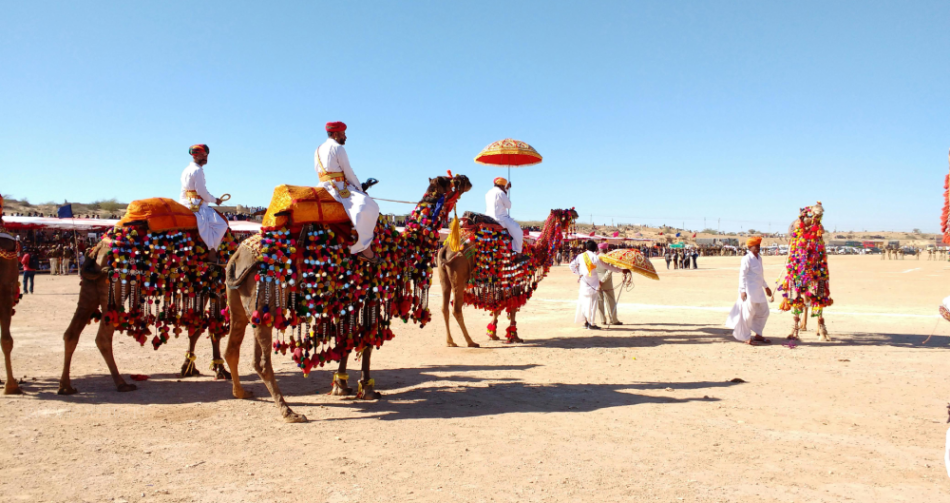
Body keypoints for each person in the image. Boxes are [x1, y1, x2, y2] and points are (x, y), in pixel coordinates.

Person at [316, 121, 380, 263]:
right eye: (343, 134)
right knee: (371, 206)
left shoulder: (318, 149)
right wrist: (361, 189)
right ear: (335, 134)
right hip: (338, 188)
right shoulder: (338, 148)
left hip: (322, 187)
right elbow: (348, 172)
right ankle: (365, 249)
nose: (345, 137)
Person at [180, 144, 229, 264]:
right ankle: (212, 252)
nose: (205, 157)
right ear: (195, 155)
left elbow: (184, 190)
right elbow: (202, 192)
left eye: (206, 155)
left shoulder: (186, 169)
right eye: (202, 155)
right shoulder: (197, 170)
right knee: (222, 224)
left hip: (186, 203)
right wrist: (215, 200)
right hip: (197, 205)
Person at [570, 240, 629, 330]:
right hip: (593, 283)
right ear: (595, 248)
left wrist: (579, 273)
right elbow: (608, 267)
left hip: (584, 282)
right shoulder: (595, 257)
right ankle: (591, 324)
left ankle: (586, 322)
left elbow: (571, 266)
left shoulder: (580, 256)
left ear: (586, 248)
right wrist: (621, 270)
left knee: (584, 303)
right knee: (593, 304)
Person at [725, 236, 773, 345]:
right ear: (750, 247)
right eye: (756, 246)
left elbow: (759, 275)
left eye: (759, 246)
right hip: (749, 291)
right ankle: (746, 337)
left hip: (759, 290)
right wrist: (742, 290)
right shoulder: (746, 259)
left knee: (764, 312)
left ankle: (758, 334)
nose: (758, 248)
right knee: (747, 314)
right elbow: (742, 275)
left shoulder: (759, 258)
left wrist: (766, 287)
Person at [485, 177, 523, 254]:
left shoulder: (488, 192)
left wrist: (506, 190)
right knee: (518, 230)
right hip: (500, 219)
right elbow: (509, 205)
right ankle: (518, 252)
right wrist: (506, 192)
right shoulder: (501, 193)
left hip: (488, 218)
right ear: (502, 186)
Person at [595, 242, 622, 326]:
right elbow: (609, 271)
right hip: (606, 282)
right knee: (610, 300)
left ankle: (602, 320)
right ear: (606, 249)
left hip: (596, 281)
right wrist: (602, 280)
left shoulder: (595, 257)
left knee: (599, 300)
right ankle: (613, 319)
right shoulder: (608, 258)